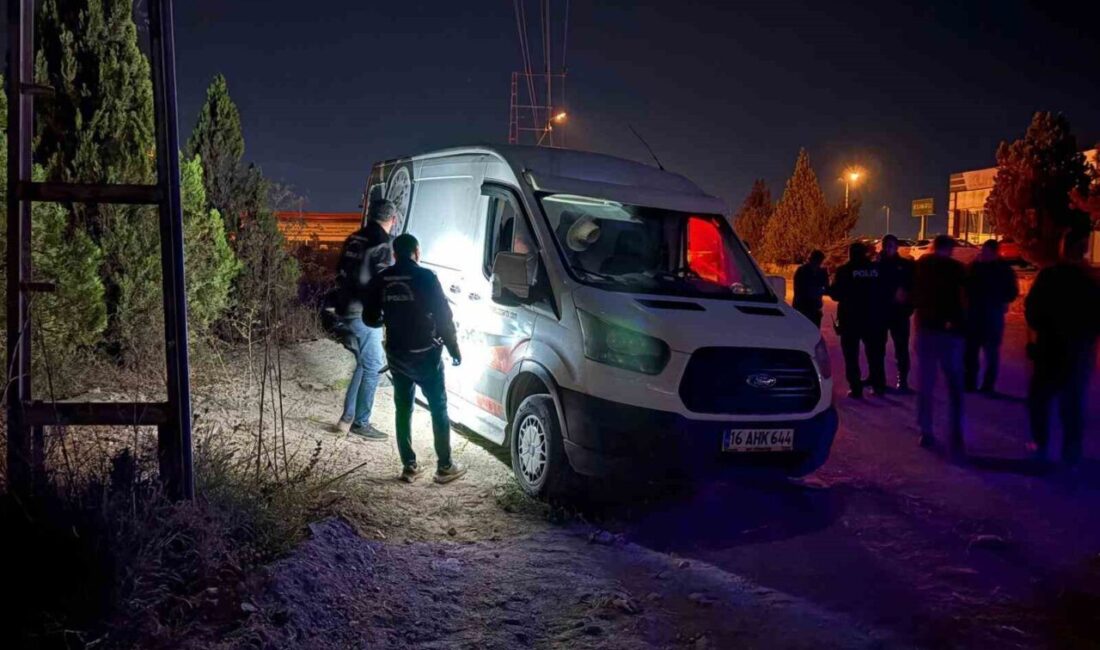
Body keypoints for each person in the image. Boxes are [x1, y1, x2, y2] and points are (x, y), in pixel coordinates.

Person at [362, 234, 467, 484]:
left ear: (394, 254)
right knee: (438, 407)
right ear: (417, 252)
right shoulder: (426, 277)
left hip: (397, 355)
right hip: (425, 355)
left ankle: (409, 466)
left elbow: (369, 318)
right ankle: (445, 466)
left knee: (403, 408)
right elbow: (443, 317)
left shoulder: (382, 279)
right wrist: (454, 349)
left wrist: (388, 319)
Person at [1025, 230, 1100, 468]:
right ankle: (1072, 451)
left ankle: (1041, 446)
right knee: (1073, 403)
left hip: (1050, 349)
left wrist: (1038, 334)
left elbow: (1033, 311)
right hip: (1079, 351)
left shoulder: (1049, 276)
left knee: (1040, 400)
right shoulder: (1091, 280)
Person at [330, 199, 396, 440]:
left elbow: (340, 271)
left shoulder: (354, 238)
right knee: (373, 366)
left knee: (364, 362)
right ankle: (361, 422)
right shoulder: (383, 243)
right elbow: (382, 281)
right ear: (393, 220)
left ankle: (346, 419)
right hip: (363, 314)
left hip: (344, 307)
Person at [911, 234, 968, 454]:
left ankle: (926, 431)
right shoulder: (959, 269)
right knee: (954, 386)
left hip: (927, 330)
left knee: (926, 384)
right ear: (951, 249)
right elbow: (965, 300)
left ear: (934, 246)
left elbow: (914, 297)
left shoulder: (922, 266)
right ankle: (956, 432)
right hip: (951, 333)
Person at [829, 242, 887, 398]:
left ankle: (856, 389)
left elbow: (836, 294)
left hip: (850, 319)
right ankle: (878, 386)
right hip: (873, 318)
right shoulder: (875, 270)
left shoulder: (844, 271)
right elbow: (884, 292)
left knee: (851, 355)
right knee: (875, 354)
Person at [964, 239, 1019, 393]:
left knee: (990, 352)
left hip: (991, 315)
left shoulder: (1003, 269)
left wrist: (1002, 301)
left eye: (986, 252)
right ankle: (970, 383)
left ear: (995, 252)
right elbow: (965, 284)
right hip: (975, 314)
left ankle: (987, 385)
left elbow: (1012, 291)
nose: (983, 254)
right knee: (971, 351)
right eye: (983, 251)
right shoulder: (976, 267)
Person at [877, 235, 916, 392]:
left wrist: (908, 306)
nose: (889, 248)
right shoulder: (877, 265)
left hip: (900, 313)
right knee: (878, 348)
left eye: (892, 245)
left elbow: (913, 287)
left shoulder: (905, 266)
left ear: (896, 247)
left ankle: (903, 381)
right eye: (887, 245)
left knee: (901, 349)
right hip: (881, 313)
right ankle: (879, 382)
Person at [793, 250, 829, 328]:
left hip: (814, 308)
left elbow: (827, 288)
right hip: (802, 308)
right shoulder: (802, 271)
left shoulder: (822, 272)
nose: (818, 263)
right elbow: (799, 289)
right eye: (817, 261)